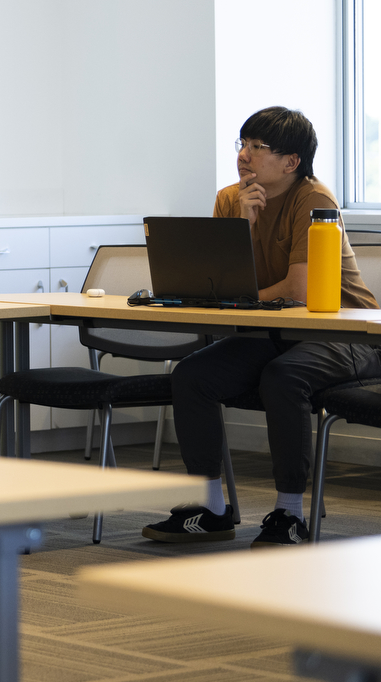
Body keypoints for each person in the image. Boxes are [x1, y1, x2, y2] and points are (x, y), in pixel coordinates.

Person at [142, 107, 381, 548]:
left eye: (257, 147)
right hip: (276, 332)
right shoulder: (229, 199)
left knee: (283, 377)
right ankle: (210, 508)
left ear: (291, 162)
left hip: (345, 333)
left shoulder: (314, 200)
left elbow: (300, 289)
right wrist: (242, 226)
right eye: (242, 144)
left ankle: (289, 513)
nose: (244, 156)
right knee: (193, 376)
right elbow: (217, 284)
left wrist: (240, 294)